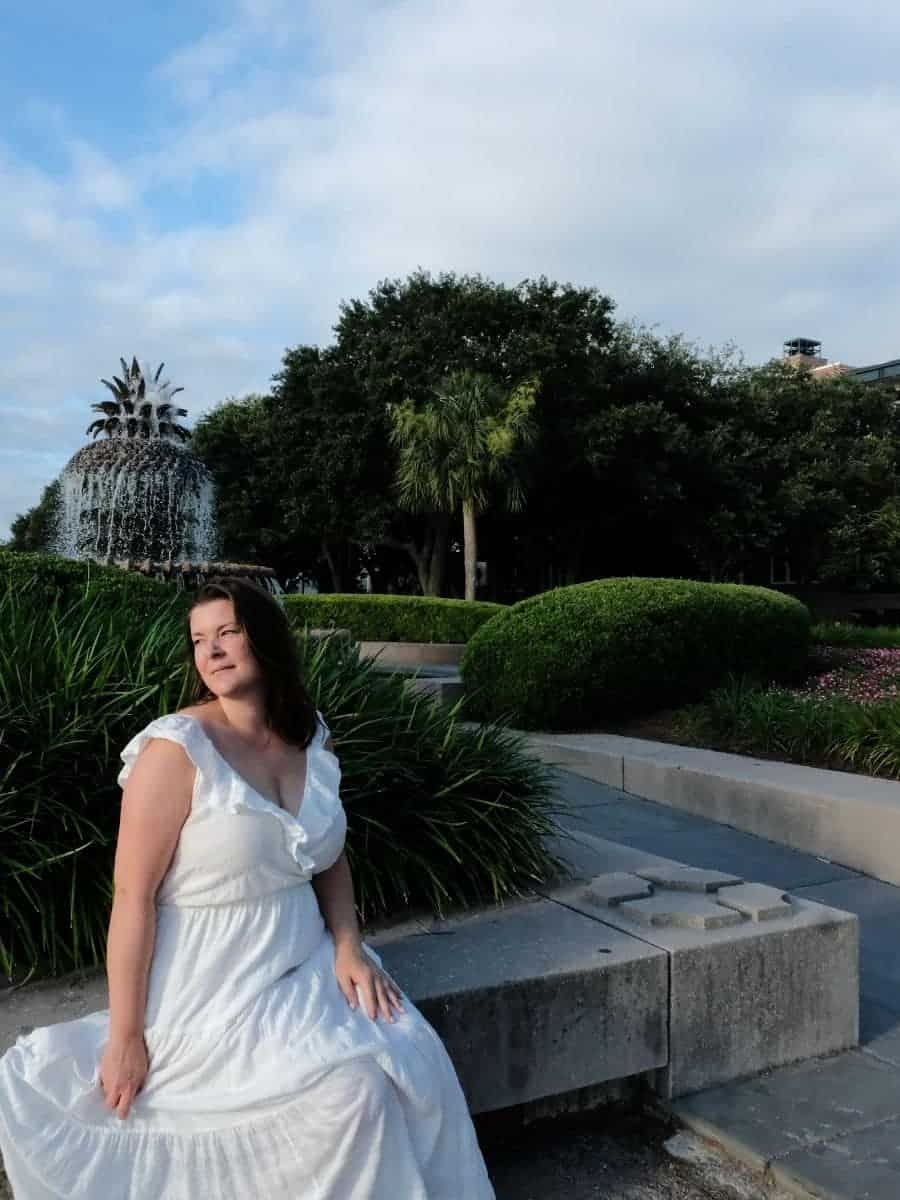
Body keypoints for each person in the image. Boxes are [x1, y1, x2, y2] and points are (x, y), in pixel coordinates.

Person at [0, 577, 495, 1199]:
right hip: (212, 975)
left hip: (304, 961)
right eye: (200, 639)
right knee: (346, 1093)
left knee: (402, 1065)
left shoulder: (310, 734)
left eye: (228, 632)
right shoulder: (174, 750)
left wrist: (348, 944)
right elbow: (131, 899)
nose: (212, 650)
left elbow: (327, 855)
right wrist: (126, 1037)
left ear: (265, 637)